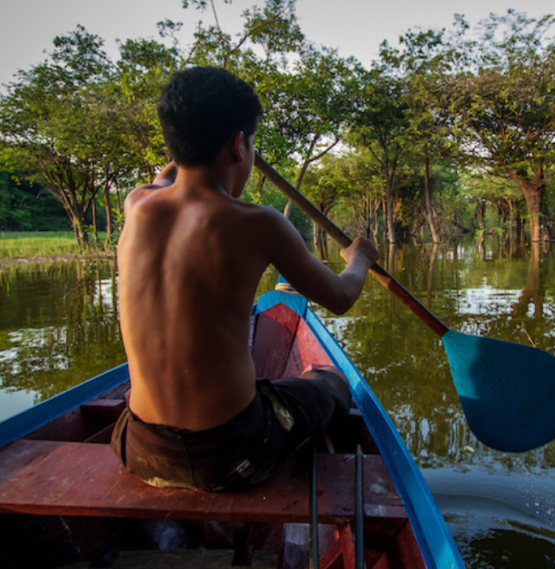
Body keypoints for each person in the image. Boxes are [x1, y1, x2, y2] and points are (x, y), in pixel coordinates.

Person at [110, 66, 379, 492]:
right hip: (232, 454)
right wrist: (358, 257)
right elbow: (342, 296)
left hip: (138, 448)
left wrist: (191, 140)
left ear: (175, 143)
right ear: (239, 145)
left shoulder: (138, 204)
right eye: (250, 144)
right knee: (330, 383)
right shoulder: (258, 223)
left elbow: (168, 175)